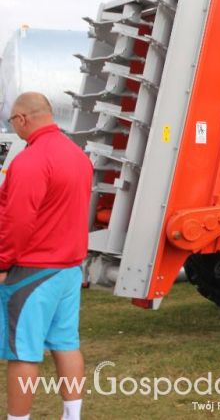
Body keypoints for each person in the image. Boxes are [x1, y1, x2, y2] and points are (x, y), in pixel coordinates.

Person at [0, 92, 93, 420]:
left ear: (22, 120)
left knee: (23, 352)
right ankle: (72, 415)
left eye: (12, 120)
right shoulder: (78, 156)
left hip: (33, 270)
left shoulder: (30, 160)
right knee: (66, 344)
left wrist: (1, 263)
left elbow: (17, 220)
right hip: (69, 269)